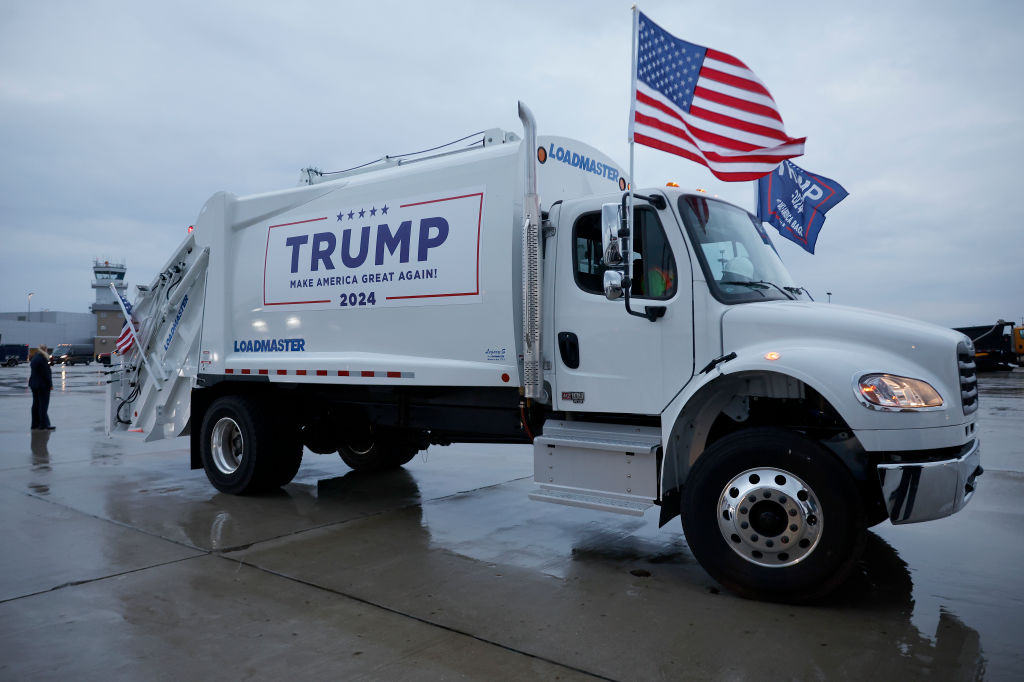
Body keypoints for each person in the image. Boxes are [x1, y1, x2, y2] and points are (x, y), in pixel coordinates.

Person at [29, 344, 54, 431]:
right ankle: (43, 425)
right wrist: (50, 385)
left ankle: (35, 424)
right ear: (45, 349)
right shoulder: (43, 358)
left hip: (34, 384)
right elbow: (46, 374)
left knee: (36, 404)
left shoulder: (35, 358)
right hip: (42, 385)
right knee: (43, 405)